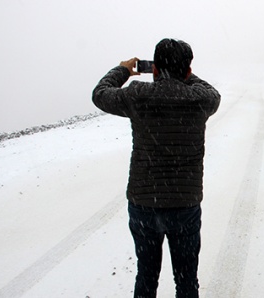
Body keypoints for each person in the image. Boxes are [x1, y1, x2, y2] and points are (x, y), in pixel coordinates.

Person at [92, 38, 221, 297]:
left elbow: (100, 94)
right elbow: (212, 92)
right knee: (186, 280)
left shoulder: (137, 95)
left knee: (147, 275)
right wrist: (183, 74)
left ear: (155, 68)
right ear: (187, 69)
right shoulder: (201, 100)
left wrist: (124, 70)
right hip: (184, 206)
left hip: (144, 205)